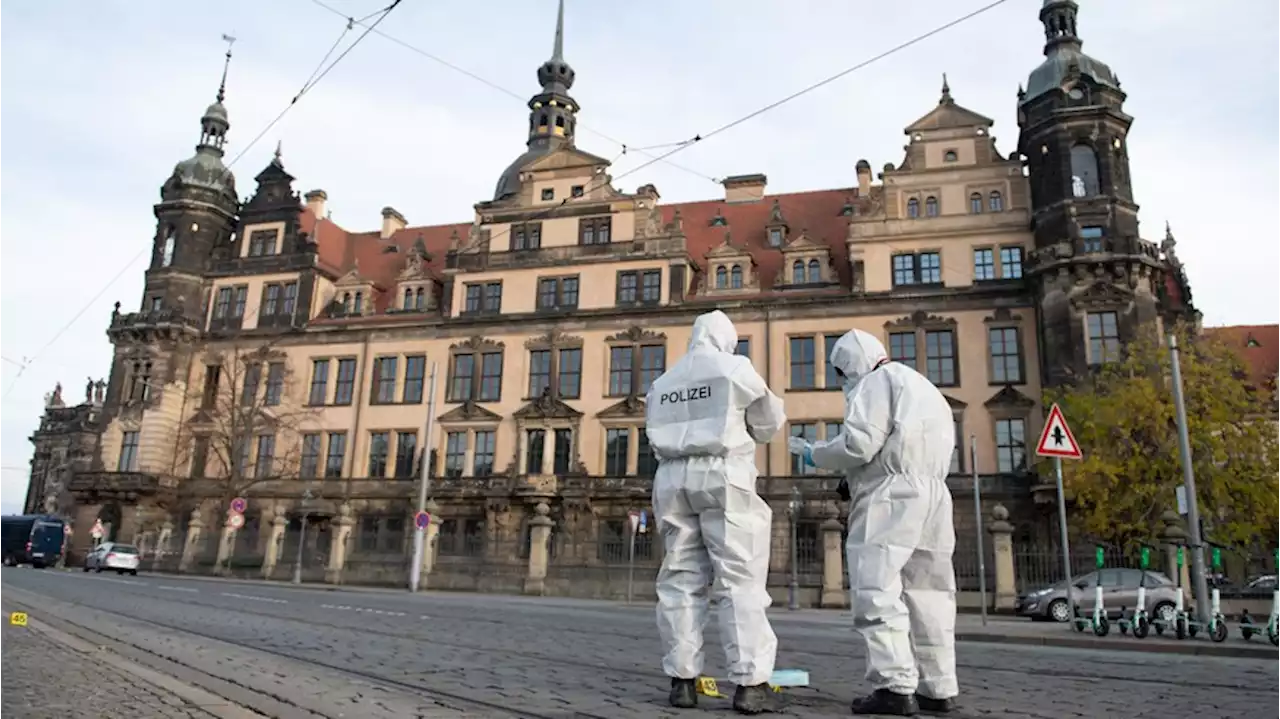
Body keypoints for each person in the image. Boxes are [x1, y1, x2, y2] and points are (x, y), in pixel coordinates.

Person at [788, 328, 958, 716]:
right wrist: (852, 479)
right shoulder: (925, 388)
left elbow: (859, 444)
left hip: (891, 496)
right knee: (930, 592)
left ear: (848, 364)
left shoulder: (874, 383)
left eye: (840, 373)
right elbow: (897, 444)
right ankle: (939, 686)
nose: (842, 382)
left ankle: (894, 686)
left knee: (877, 585)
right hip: (934, 493)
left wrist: (815, 453)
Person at [645, 310, 787, 715]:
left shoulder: (664, 380)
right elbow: (768, 421)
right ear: (728, 340)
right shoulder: (734, 368)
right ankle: (750, 683)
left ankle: (682, 680)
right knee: (738, 577)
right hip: (722, 472)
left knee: (679, 578)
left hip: (671, 477)